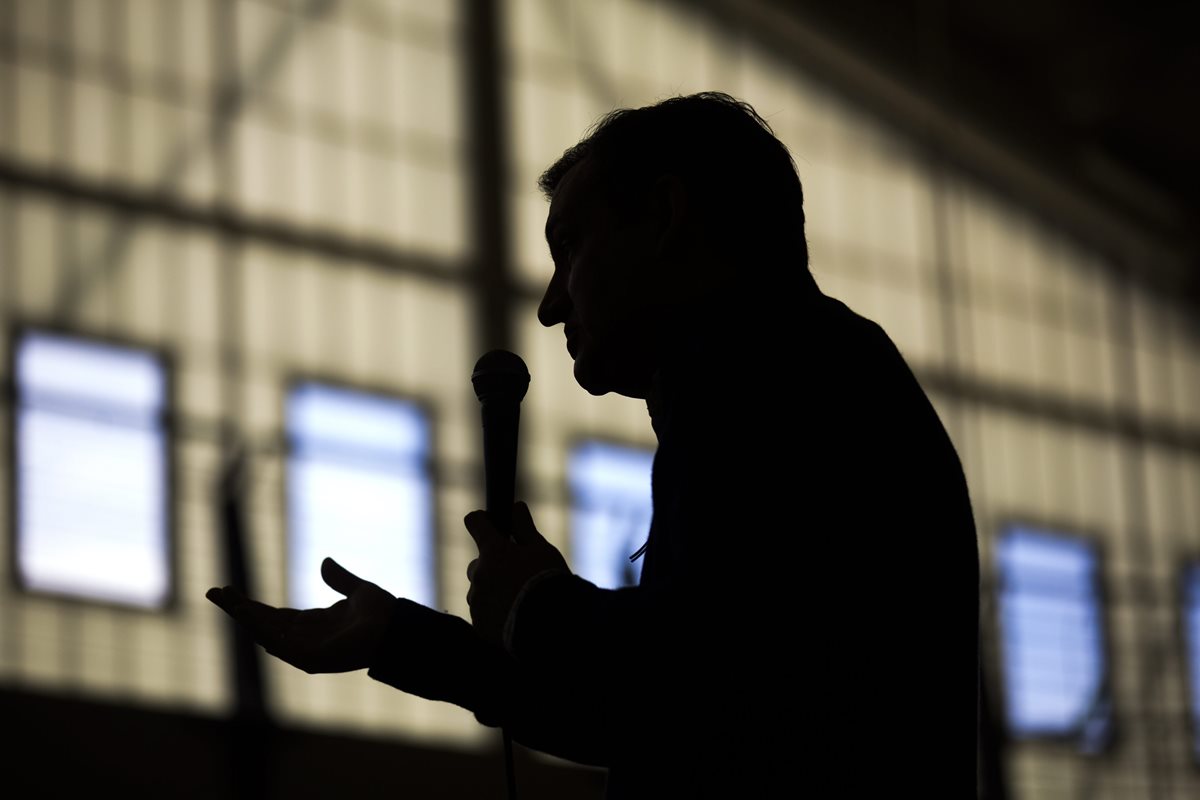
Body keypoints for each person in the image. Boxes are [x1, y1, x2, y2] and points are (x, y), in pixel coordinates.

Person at [208, 92, 980, 797]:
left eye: (570, 246)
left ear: (667, 214)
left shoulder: (778, 379)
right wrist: (403, 638)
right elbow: (671, 718)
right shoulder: (806, 370)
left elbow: (699, 692)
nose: (550, 305)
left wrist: (536, 605)